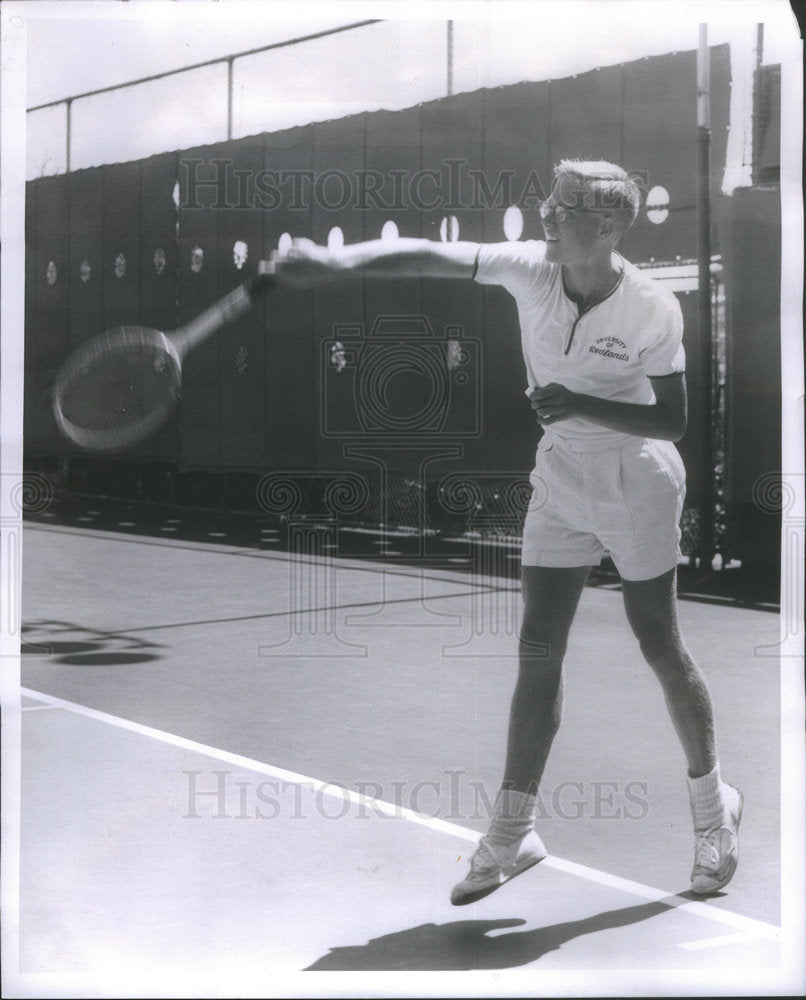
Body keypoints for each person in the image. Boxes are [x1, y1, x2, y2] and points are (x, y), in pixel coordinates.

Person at [269, 159, 742, 905]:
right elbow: (426, 253)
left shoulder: (653, 308)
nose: (548, 217)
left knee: (659, 643)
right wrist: (334, 261)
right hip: (560, 478)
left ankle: (715, 813)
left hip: (638, 481)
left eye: (566, 209)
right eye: (549, 204)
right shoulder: (532, 269)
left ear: (611, 225)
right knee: (538, 647)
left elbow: (673, 421)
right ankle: (514, 830)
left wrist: (579, 402)